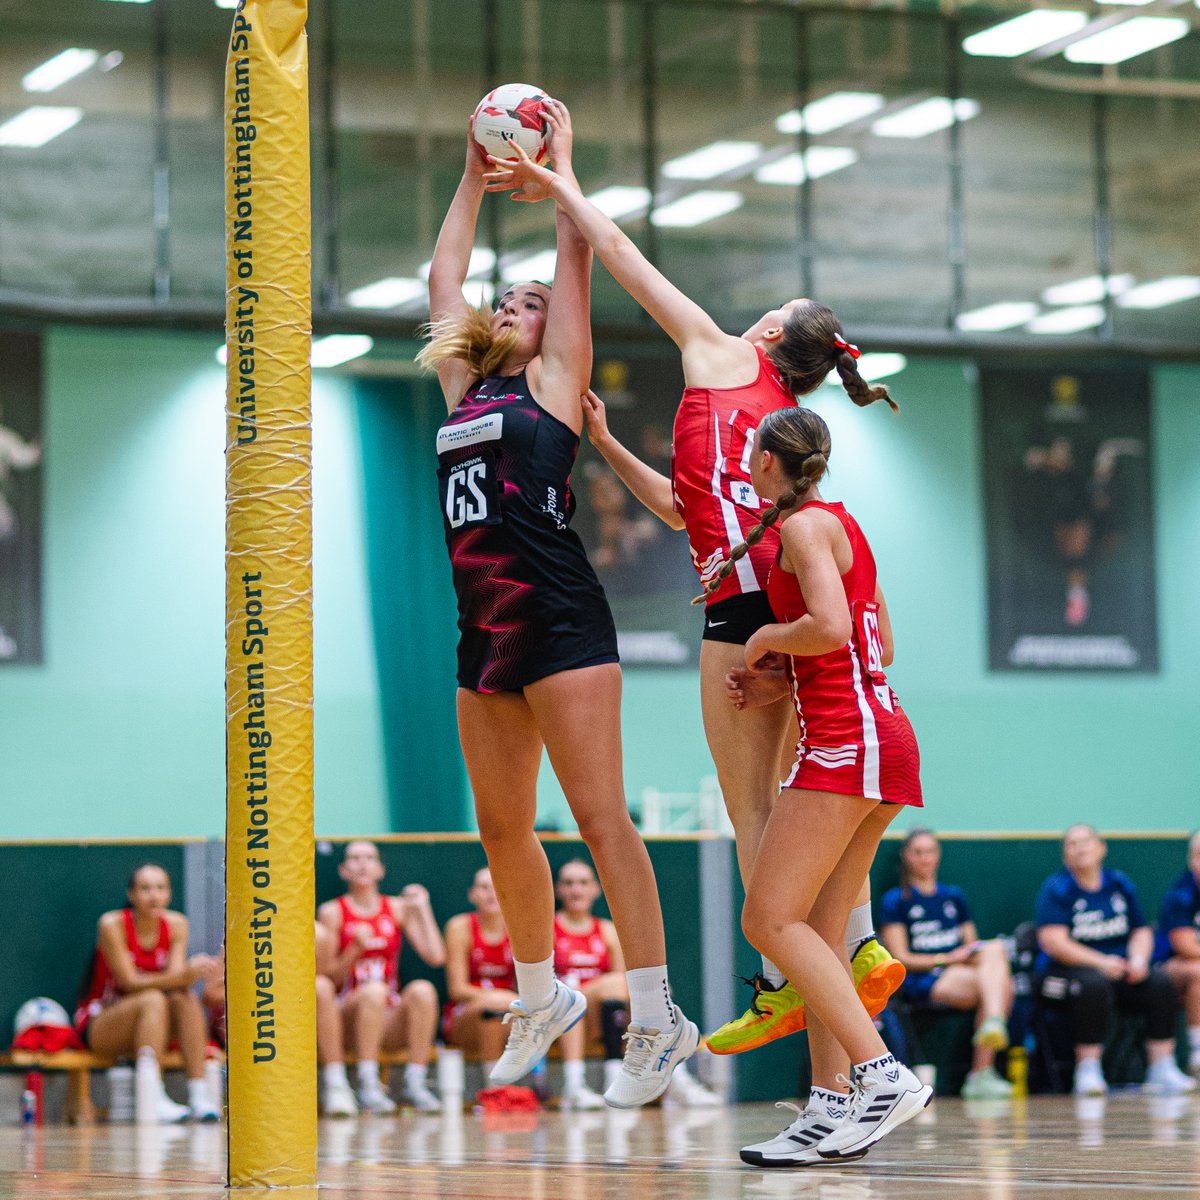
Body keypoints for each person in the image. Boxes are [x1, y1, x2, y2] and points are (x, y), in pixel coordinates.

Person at [482, 144, 902, 1062]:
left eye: (776, 310)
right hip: (788, 611)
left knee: (756, 810)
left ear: (771, 337)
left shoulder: (721, 358)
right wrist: (605, 443)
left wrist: (562, 182)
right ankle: (856, 949)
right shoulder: (774, 418)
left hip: (744, 620)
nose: (763, 309)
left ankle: (788, 981)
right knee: (803, 798)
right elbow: (682, 507)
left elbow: (624, 258)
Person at [417, 99, 697, 1107]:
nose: (510, 302)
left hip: (562, 617)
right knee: (499, 829)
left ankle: (660, 1015)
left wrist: (560, 167)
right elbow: (442, 281)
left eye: (527, 299)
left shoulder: (552, 383)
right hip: (481, 628)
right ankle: (543, 994)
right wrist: (467, 172)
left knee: (596, 816)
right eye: (507, 299)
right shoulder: (465, 393)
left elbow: (574, 247)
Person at [1035, 823, 1193, 1096]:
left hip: (1119, 968)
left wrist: (1138, 959)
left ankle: (1162, 1066)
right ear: (1064, 855)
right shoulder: (1057, 888)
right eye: (1072, 844)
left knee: (1160, 982)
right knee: (1093, 985)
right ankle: (1088, 1068)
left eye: (1086, 841)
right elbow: (1054, 942)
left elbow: (1141, 929)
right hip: (1065, 972)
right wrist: (1100, 962)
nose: (1080, 848)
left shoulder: (1119, 883)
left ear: (1101, 847)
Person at [73, 862, 219, 1122]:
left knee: (184, 997)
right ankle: (154, 1095)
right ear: (131, 895)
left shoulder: (176, 924)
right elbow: (129, 982)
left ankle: (199, 1095)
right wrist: (186, 973)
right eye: (145, 888)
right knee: (152, 998)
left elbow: (176, 982)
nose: (154, 895)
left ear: (169, 893)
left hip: (153, 1023)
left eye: (161, 888)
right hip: (103, 1019)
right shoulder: (112, 924)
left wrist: (187, 976)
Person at [879, 828, 1014, 1098]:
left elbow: (972, 945)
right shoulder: (896, 900)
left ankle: (993, 1026)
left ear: (938, 855)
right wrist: (945, 959)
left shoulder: (953, 896)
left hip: (960, 972)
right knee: (1002, 987)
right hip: (924, 978)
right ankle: (981, 1071)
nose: (924, 858)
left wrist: (964, 957)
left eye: (929, 851)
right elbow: (900, 957)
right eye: (917, 852)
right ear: (906, 856)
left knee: (996, 949)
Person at [316, 841, 446, 1112]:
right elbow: (328, 979)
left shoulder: (396, 907)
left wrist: (422, 909)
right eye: (355, 858)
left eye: (369, 858)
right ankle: (366, 1084)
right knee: (372, 992)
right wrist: (354, 950)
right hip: (347, 1014)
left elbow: (436, 956)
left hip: (387, 1016)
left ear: (380, 870)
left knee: (423, 990)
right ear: (343, 870)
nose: (362, 864)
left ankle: (416, 1082)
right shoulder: (332, 911)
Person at [201, 923, 361, 1117]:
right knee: (254, 1006)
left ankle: (336, 1084)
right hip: (250, 1017)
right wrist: (259, 989)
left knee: (322, 987)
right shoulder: (246, 934)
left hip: (294, 1020)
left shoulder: (317, 934)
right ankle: (257, 1090)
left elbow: (329, 981)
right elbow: (209, 995)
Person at [441, 866, 518, 1077]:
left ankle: (538, 1086)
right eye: (484, 887)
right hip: (464, 1016)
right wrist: (499, 998)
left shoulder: (519, 928)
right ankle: (494, 1087)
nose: (491, 893)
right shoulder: (459, 926)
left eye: (497, 886)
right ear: (472, 894)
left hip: (509, 1011)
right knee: (494, 1008)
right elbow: (457, 990)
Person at [1155, 830, 1200, 1076]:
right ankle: (1197, 1053)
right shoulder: (1180, 894)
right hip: (1171, 969)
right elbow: (1186, 947)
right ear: (1191, 861)